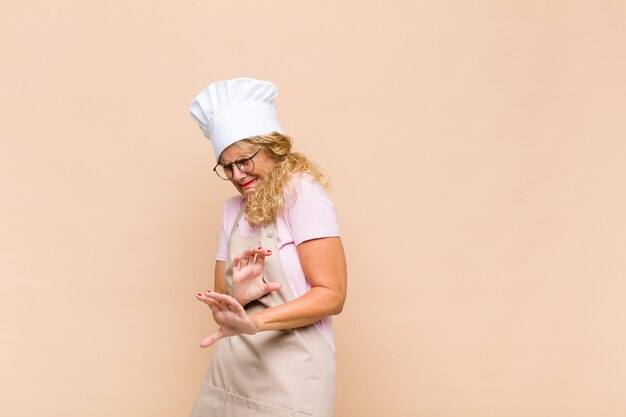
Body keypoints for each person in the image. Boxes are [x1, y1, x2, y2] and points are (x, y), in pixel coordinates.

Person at [188, 77, 347, 417]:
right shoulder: (232, 210)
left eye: (244, 160)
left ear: (272, 147)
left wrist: (256, 322)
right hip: (232, 372)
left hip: (292, 376)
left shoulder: (302, 194)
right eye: (227, 166)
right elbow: (222, 303)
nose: (237, 174)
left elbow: (332, 295)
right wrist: (240, 296)